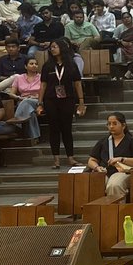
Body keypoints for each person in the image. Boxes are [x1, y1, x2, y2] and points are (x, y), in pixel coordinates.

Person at [40, 39, 85, 168]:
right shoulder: (47, 65)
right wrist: (39, 102)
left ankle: (70, 157)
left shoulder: (71, 64)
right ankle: (56, 160)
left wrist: (81, 101)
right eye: (51, 47)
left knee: (67, 128)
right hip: (50, 99)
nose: (52, 49)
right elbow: (43, 85)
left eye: (54, 47)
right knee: (54, 129)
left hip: (68, 99)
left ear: (62, 48)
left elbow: (77, 83)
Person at [85, 112, 133, 201]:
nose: (111, 126)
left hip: (123, 172)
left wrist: (122, 159)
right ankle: (95, 212)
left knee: (114, 184)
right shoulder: (103, 141)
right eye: (109, 124)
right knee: (94, 183)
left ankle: (116, 212)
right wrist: (97, 167)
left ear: (123, 125)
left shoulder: (131, 141)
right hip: (105, 172)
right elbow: (91, 160)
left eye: (114, 123)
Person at [8, 56, 43, 141]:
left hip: (38, 101)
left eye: (36, 64)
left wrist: (35, 96)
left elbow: (46, 92)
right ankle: (35, 137)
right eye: (31, 64)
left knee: (27, 102)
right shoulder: (19, 78)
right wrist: (19, 98)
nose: (34, 65)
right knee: (30, 112)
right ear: (25, 66)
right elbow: (11, 94)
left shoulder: (42, 77)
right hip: (22, 101)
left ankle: (17, 122)